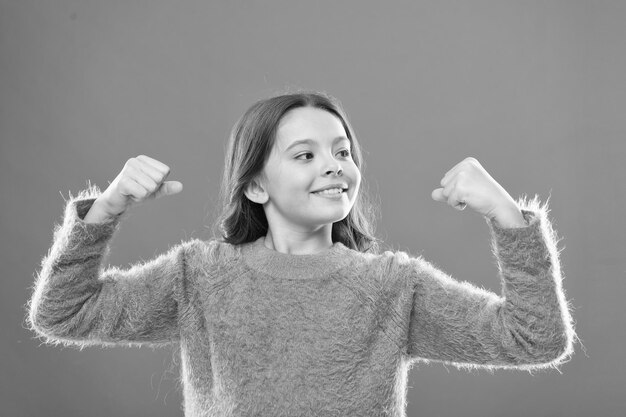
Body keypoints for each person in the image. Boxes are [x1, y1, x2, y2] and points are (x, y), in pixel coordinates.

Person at [26, 91, 577, 417]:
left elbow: (535, 339)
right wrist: (108, 208)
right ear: (256, 186)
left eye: (342, 151)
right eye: (305, 154)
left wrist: (508, 218)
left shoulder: (392, 285)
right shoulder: (200, 275)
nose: (334, 164)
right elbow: (63, 312)